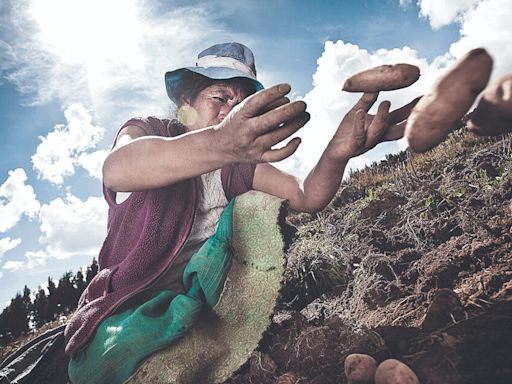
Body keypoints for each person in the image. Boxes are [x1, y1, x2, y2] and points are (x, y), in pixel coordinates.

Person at [60, 42, 416, 383]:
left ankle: (225, 334)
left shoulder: (235, 168)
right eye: (221, 97)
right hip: (126, 303)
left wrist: (340, 152)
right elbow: (117, 169)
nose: (230, 109)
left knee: (253, 206)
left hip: (198, 303)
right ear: (187, 100)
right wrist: (218, 142)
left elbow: (306, 195)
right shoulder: (149, 131)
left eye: (243, 102)